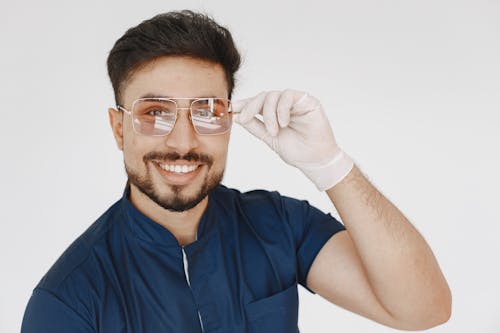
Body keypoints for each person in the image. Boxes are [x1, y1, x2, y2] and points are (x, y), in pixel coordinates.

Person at [21, 10, 451, 332]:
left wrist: (331, 165)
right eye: (155, 113)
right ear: (119, 128)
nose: (184, 142)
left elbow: (423, 308)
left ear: (230, 119)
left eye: (206, 111)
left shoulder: (278, 225)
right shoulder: (68, 301)